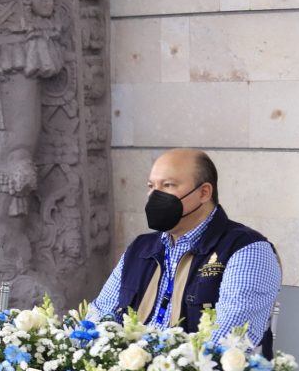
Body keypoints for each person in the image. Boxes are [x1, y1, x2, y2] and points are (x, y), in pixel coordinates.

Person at [89, 148, 281, 355]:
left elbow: (226, 343)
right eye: (151, 186)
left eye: (168, 185)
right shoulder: (140, 249)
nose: (155, 195)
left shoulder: (246, 249)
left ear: (204, 192)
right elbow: (99, 318)